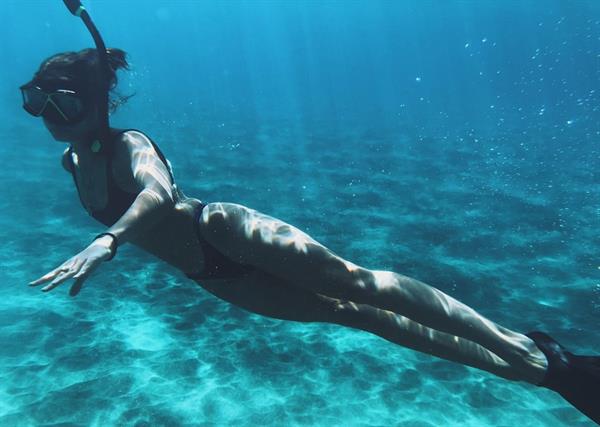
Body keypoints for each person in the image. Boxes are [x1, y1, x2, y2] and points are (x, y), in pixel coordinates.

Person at [21, 47, 599, 424]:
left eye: (64, 100)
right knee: (362, 316)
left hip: (222, 230)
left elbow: (159, 193)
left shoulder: (129, 145)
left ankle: (522, 345)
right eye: (36, 101)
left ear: (94, 100)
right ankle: (543, 369)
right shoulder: (73, 163)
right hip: (213, 276)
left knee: (360, 283)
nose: (50, 112)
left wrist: (109, 240)